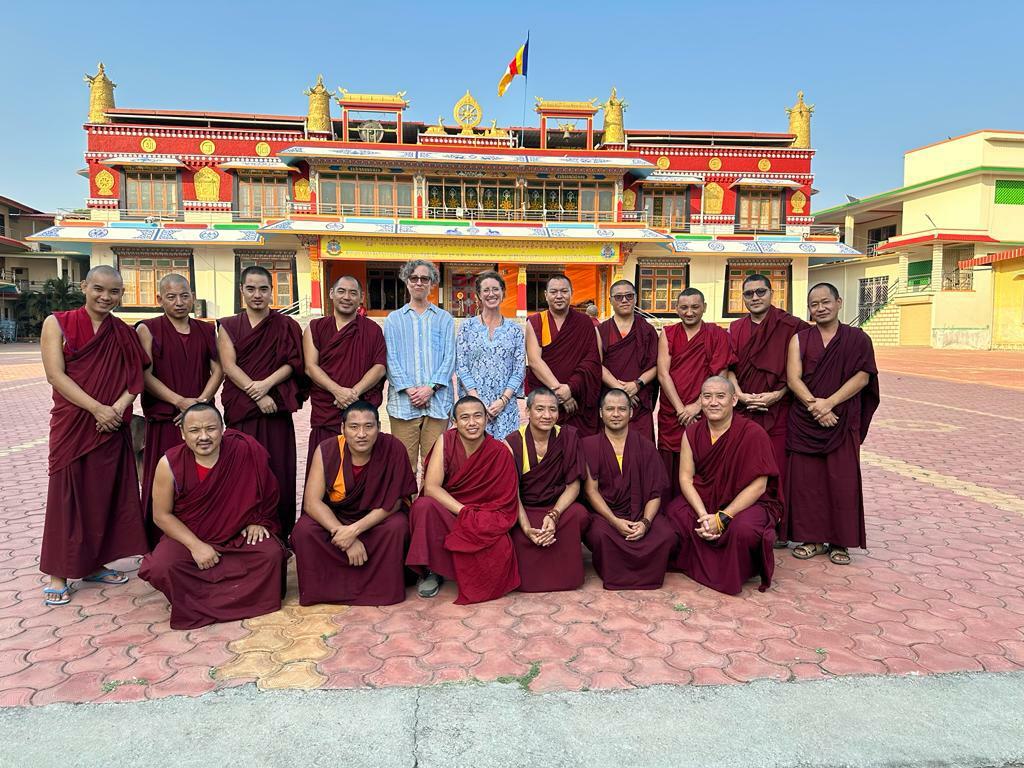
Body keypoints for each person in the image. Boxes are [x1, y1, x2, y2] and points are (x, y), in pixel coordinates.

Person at [39, 265, 150, 606]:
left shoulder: (122, 331)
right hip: (74, 422)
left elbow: (135, 380)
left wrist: (115, 409)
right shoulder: (58, 323)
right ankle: (59, 572)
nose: (105, 297)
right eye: (99, 289)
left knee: (104, 494)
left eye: (114, 292)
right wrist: (97, 409)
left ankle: (95, 563)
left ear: (121, 295)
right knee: (68, 494)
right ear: (84, 286)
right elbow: (56, 375)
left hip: (111, 424)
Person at [139, 403, 290, 630]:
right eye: (194, 431)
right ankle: (220, 599)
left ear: (222, 429)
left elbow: (267, 489)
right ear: (182, 433)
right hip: (189, 535)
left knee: (270, 554)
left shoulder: (243, 449)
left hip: (235, 534)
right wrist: (196, 546)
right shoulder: (169, 464)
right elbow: (161, 516)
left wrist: (257, 521)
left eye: (210, 429)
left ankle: (200, 601)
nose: (203, 437)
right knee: (163, 566)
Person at [786, 283, 879, 565]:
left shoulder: (857, 338)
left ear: (838, 302)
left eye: (825, 302)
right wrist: (816, 406)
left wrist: (830, 403)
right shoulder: (800, 339)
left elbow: (863, 377)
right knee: (806, 484)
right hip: (806, 421)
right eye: (814, 304)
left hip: (841, 420)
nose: (820, 308)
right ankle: (812, 538)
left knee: (842, 481)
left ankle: (840, 542)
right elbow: (793, 379)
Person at [292, 401, 417, 606]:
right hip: (339, 517)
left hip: (375, 519)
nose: (361, 434)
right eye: (354, 427)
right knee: (303, 531)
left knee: (398, 527)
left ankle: (382, 589)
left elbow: (394, 502)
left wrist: (354, 531)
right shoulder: (327, 449)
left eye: (368, 426)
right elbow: (312, 503)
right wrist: (341, 532)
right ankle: (326, 590)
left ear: (379, 427)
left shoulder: (393, 448)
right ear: (342, 429)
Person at [666, 376, 783, 594]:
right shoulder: (692, 432)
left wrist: (723, 517)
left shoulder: (753, 433)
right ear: (700, 400)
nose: (713, 402)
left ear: (734, 400)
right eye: (707, 396)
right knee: (674, 515)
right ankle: (700, 561)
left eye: (721, 396)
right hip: (706, 500)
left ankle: (738, 569)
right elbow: (685, 478)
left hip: (744, 504)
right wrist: (704, 516)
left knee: (744, 530)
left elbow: (759, 486)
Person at [217, 266, 306, 539]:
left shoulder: (286, 325)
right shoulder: (228, 325)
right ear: (241, 290)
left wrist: (267, 385)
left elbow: (293, 363)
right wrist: (258, 394)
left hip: (275, 411)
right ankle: (241, 529)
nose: (257, 295)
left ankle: (280, 532)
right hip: (243, 411)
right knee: (241, 470)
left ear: (271, 292)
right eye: (251, 289)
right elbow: (228, 366)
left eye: (263, 289)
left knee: (278, 469)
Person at [406, 396, 520, 603]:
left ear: (487, 419)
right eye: (464, 417)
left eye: (478, 416)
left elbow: (505, 500)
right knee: (423, 506)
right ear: (455, 422)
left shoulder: (499, 451)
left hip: (482, 514)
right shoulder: (446, 441)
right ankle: (431, 571)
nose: (472, 423)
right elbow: (431, 488)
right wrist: (464, 511)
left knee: (500, 543)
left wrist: (476, 515)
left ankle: (468, 576)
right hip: (452, 510)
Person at [136, 274, 222, 548]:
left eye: (184, 295)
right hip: (166, 419)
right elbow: (144, 375)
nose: (179, 302)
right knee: (164, 479)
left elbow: (218, 369)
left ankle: (204, 534)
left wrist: (199, 402)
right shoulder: (148, 329)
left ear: (193, 297)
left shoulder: (206, 330)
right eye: (171, 297)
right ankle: (159, 541)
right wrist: (180, 402)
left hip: (202, 420)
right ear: (159, 299)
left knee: (202, 478)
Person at [727, 273, 809, 546]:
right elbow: (729, 367)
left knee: (777, 467)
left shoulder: (790, 326)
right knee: (746, 467)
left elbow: (798, 368)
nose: (755, 298)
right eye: (749, 294)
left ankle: (779, 525)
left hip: (778, 411)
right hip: (744, 409)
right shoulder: (736, 328)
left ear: (772, 293)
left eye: (760, 292)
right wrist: (738, 394)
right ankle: (748, 519)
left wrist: (777, 395)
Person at [582, 389, 677, 590]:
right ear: (601, 413)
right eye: (610, 409)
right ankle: (615, 573)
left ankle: (647, 575)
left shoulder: (646, 446)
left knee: (666, 535)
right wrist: (615, 522)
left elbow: (655, 492)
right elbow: (591, 491)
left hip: (640, 514)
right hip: (606, 516)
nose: (616, 414)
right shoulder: (589, 445)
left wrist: (645, 522)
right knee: (600, 535)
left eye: (621, 409)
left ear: (631, 413)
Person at [506, 387, 589, 592]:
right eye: (540, 409)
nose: (547, 415)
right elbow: (511, 492)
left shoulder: (568, 437)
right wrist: (525, 527)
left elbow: (574, 485)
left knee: (579, 514)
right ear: (528, 411)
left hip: (557, 507)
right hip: (524, 509)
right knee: (514, 532)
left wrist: (554, 514)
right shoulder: (512, 443)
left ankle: (565, 576)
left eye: (553, 409)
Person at [656, 288, 733, 497]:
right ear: (676, 309)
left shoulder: (716, 334)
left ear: (704, 308)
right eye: (684, 308)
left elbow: (721, 373)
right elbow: (663, 374)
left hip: (705, 410)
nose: (689, 312)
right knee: (670, 464)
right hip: (672, 411)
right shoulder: (668, 333)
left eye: (695, 307)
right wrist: (681, 409)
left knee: (704, 459)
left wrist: (698, 406)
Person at [303, 275, 387, 468]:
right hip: (327, 410)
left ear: (361, 297)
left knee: (362, 469)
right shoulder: (316, 328)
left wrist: (354, 393)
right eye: (341, 291)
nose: (347, 297)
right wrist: (338, 391)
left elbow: (380, 366)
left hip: (360, 412)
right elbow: (310, 367)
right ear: (332, 293)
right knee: (324, 467)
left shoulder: (372, 330)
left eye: (353, 293)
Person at [384, 259, 456, 475]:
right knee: (404, 464)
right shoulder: (394, 319)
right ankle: (408, 508)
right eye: (414, 278)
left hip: (437, 401)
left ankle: (428, 507)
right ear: (406, 281)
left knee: (434, 464)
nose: (419, 283)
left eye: (424, 279)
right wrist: (409, 389)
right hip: (404, 403)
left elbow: (449, 358)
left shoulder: (444, 319)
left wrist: (430, 388)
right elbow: (390, 358)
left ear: (432, 283)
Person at [524, 274, 602, 437]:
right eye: (553, 292)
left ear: (571, 293)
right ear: (546, 295)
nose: (559, 296)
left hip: (579, 399)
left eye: (564, 291)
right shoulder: (537, 322)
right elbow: (534, 361)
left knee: (581, 451)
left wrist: (571, 388)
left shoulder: (584, 323)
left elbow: (592, 361)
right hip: (546, 401)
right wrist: (562, 394)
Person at [455, 270, 525, 439]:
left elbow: (519, 369)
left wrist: (502, 401)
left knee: (504, 457)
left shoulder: (514, 330)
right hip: (473, 408)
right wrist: (478, 402)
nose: (491, 294)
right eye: (486, 290)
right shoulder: (467, 328)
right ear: (479, 295)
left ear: (503, 293)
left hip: (505, 408)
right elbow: (462, 367)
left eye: (495, 289)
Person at [598, 279, 659, 442]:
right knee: (609, 451)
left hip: (639, 400)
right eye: (618, 297)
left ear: (636, 298)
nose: (624, 300)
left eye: (629, 296)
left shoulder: (647, 330)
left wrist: (637, 384)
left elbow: (656, 364)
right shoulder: (601, 331)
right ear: (610, 300)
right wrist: (621, 390)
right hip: (610, 400)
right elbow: (597, 364)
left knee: (641, 449)